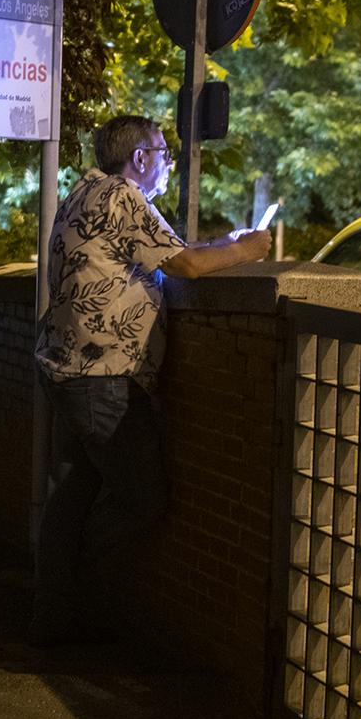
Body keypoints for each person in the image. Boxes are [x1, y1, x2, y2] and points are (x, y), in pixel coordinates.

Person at [28, 114, 271, 646]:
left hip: (67, 366)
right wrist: (249, 249)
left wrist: (222, 242)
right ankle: (87, 606)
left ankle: (54, 619)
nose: (165, 161)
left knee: (70, 497)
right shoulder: (123, 196)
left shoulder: (85, 192)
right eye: (162, 151)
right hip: (103, 376)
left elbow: (163, 254)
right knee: (143, 498)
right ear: (139, 157)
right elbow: (184, 266)